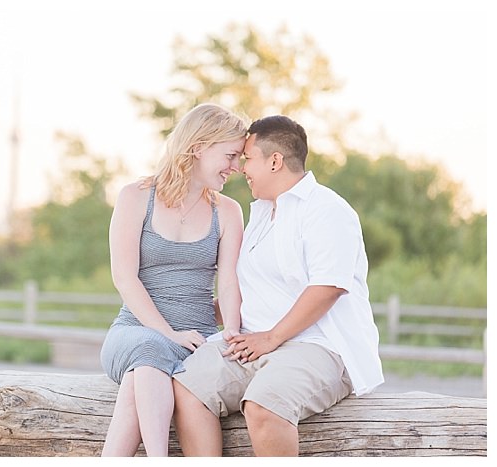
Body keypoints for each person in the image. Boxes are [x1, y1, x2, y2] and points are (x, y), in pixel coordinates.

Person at [172, 115, 384, 456]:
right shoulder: (259, 214)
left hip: (320, 346)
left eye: (248, 158)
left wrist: (271, 338)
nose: (241, 168)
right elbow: (250, 289)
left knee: (264, 405)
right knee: (186, 385)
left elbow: (328, 287)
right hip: (252, 341)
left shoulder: (327, 210)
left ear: (274, 161)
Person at [99, 103, 248, 456]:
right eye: (230, 155)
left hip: (196, 338)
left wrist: (232, 332)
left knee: (139, 380)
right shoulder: (135, 197)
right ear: (198, 147)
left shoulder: (228, 212)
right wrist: (168, 333)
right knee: (149, 350)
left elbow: (228, 283)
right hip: (135, 331)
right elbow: (125, 278)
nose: (236, 167)